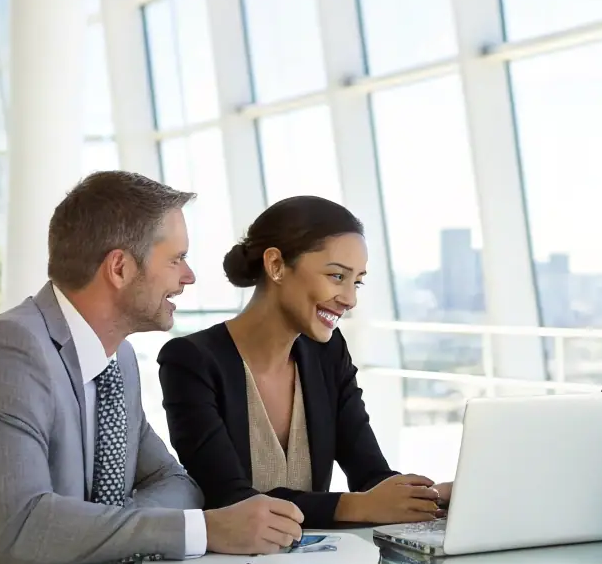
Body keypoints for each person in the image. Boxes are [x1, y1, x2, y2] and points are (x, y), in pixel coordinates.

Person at [0, 171, 305, 564]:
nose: (189, 276)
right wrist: (204, 529)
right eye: (176, 259)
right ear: (119, 268)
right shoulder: (4, 353)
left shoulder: (117, 359)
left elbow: (177, 482)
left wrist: (89, 526)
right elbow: (22, 530)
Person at [158, 196, 445, 528]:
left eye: (357, 282)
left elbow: (372, 478)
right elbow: (229, 498)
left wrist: (434, 498)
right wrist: (355, 507)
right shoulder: (190, 361)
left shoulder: (328, 353)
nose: (350, 299)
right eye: (337, 276)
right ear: (276, 265)